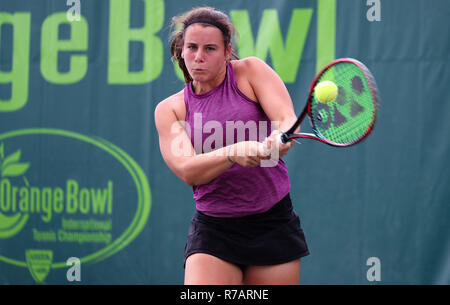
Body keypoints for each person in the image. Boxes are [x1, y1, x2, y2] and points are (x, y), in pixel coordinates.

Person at [154, 6, 309, 285]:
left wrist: (279, 139)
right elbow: (188, 169)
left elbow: (287, 119)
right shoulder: (170, 110)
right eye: (191, 47)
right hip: (215, 231)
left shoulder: (251, 71)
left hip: (273, 223)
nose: (199, 57)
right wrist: (232, 153)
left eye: (210, 48)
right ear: (181, 51)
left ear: (227, 52)